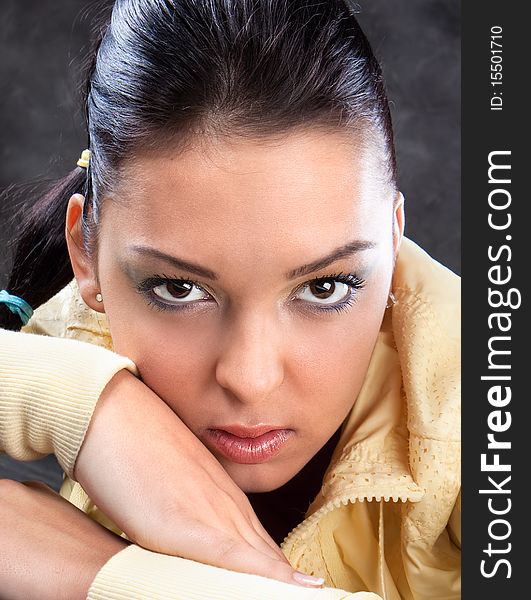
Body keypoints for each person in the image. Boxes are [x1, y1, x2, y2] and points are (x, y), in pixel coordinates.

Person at [0, 0, 460, 598]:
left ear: (394, 241)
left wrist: (97, 576)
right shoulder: (70, 332)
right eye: (179, 289)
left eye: (325, 287)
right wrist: (81, 404)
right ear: (85, 254)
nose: (250, 379)